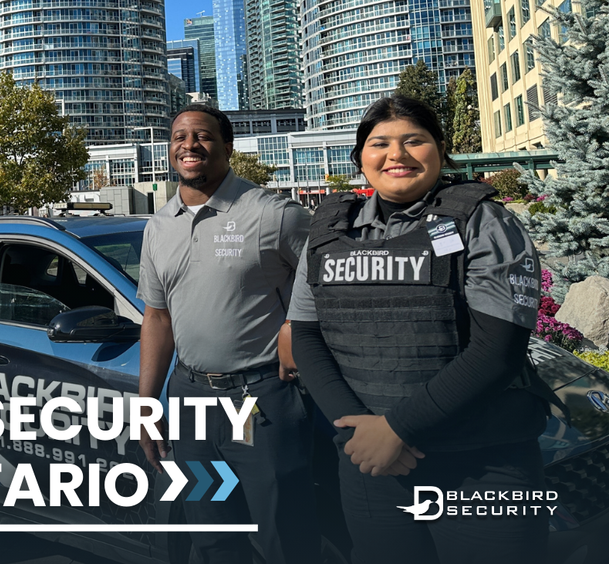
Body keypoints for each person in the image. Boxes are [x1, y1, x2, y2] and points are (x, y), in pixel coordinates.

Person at [289, 96, 553, 564]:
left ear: (440, 149)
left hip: (481, 463)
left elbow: (499, 351)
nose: (397, 154)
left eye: (414, 140)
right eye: (380, 143)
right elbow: (307, 336)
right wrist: (358, 432)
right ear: (360, 158)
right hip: (370, 462)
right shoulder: (328, 231)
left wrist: (397, 428)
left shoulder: (483, 222)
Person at [137, 105, 319, 564]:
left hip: (257, 398)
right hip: (191, 398)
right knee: (212, 535)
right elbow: (157, 318)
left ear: (227, 147)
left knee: (282, 537)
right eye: (180, 136)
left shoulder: (273, 213)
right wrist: (146, 403)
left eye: (202, 136)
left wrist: (296, 323)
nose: (189, 145)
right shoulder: (158, 226)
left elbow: (325, 277)